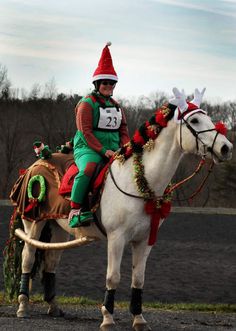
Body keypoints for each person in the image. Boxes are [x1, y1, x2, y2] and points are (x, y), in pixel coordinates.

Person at [68, 42, 130, 227]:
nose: (108, 86)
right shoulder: (86, 104)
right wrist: (104, 151)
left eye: (111, 83)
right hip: (88, 147)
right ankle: (75, 210)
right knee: (89, 168)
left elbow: (123, 130)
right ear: (97, 84)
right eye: (105, 83)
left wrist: (126, 148)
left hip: (113, 147)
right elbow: (85, 132)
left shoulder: (117, 105)